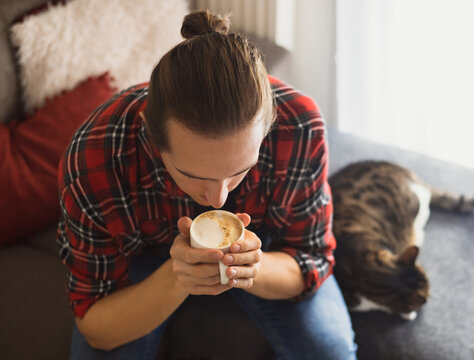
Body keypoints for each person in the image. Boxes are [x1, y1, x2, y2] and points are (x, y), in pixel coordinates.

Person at [57, 10, 357, 360]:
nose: (219, 198)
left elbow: (312, 260)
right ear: (151, 137)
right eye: (194, 175)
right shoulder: (93, 158)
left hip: (266, 249)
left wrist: (249, 267)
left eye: (240, 171)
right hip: (144, 257)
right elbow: (97, 329)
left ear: (269, 127)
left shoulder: (302, 126)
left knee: (331, 351)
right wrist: (178, 276)